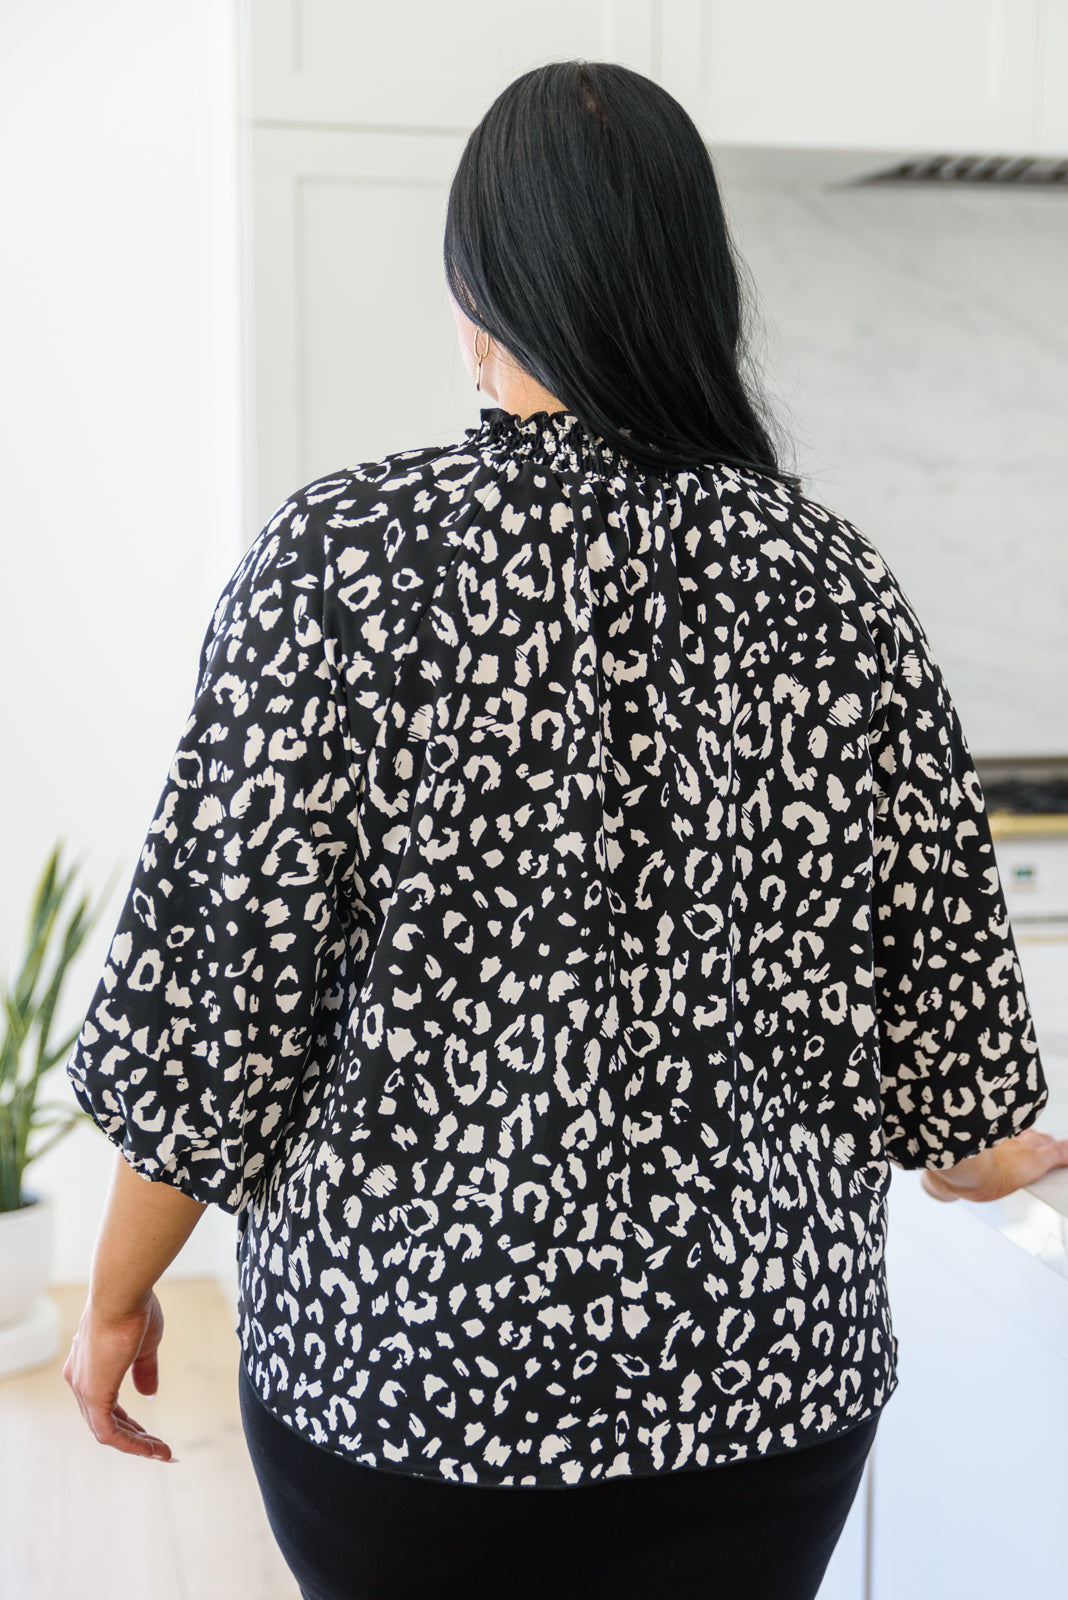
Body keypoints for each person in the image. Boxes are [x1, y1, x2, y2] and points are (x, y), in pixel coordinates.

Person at [63, 59, 1068, 1600]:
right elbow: (943, 1001)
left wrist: (115, 1293)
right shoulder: (832, 581)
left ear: (475, 292)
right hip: (761, 1385)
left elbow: (220, 994)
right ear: (696, 287)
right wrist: (991, 1155)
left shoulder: (338, 564)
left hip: (401, 1378)